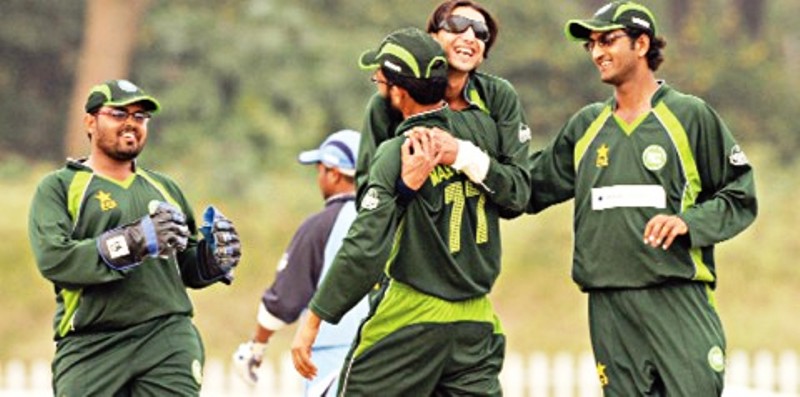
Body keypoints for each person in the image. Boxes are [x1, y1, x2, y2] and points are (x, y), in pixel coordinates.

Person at [525, 2, 758, 396]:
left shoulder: (689, 116)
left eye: (608, 40)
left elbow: (740, 194)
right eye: (591, 45)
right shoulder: (586, 126)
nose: (597, 52)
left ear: (642, 43)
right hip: (609, 305)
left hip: (676, 297)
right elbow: (527, 188)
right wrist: (466, 156)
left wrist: (689, 222)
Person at [292, 26, 530, 396]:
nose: (378, 87)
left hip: (411, 315)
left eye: (379, 80)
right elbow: (517, 191)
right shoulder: (484, 130)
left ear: (398, 91)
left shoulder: (398, 150)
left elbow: (364, 247)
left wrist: (314, 321)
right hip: (476, 319)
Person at [28, 79, 242, 396]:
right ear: (90, 121)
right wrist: (133, 241)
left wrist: (212, 259)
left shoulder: (164, 187)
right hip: (91, 345)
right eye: (118, 113)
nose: (131, 123)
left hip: (166, 337)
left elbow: (187, 268)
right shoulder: (59, 187)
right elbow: (55, 260)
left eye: (140, 117)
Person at [232, 129, 369, 396]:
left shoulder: (320, 226)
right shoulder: (388, 220)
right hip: (391, 356)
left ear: (333, 172)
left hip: (334, 361)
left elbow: (283, 301)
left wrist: (255, 347)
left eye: (320, 169)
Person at [355, 0, 532, 206]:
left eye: (481, 32)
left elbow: (518, 196)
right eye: (456, 24)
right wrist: (406, 185)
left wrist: (462, 155)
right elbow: (366, 201)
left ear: (484, 52)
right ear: (432, 37)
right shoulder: (388, 101)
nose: (469, 37)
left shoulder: (498, 96)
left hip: (476, 236)